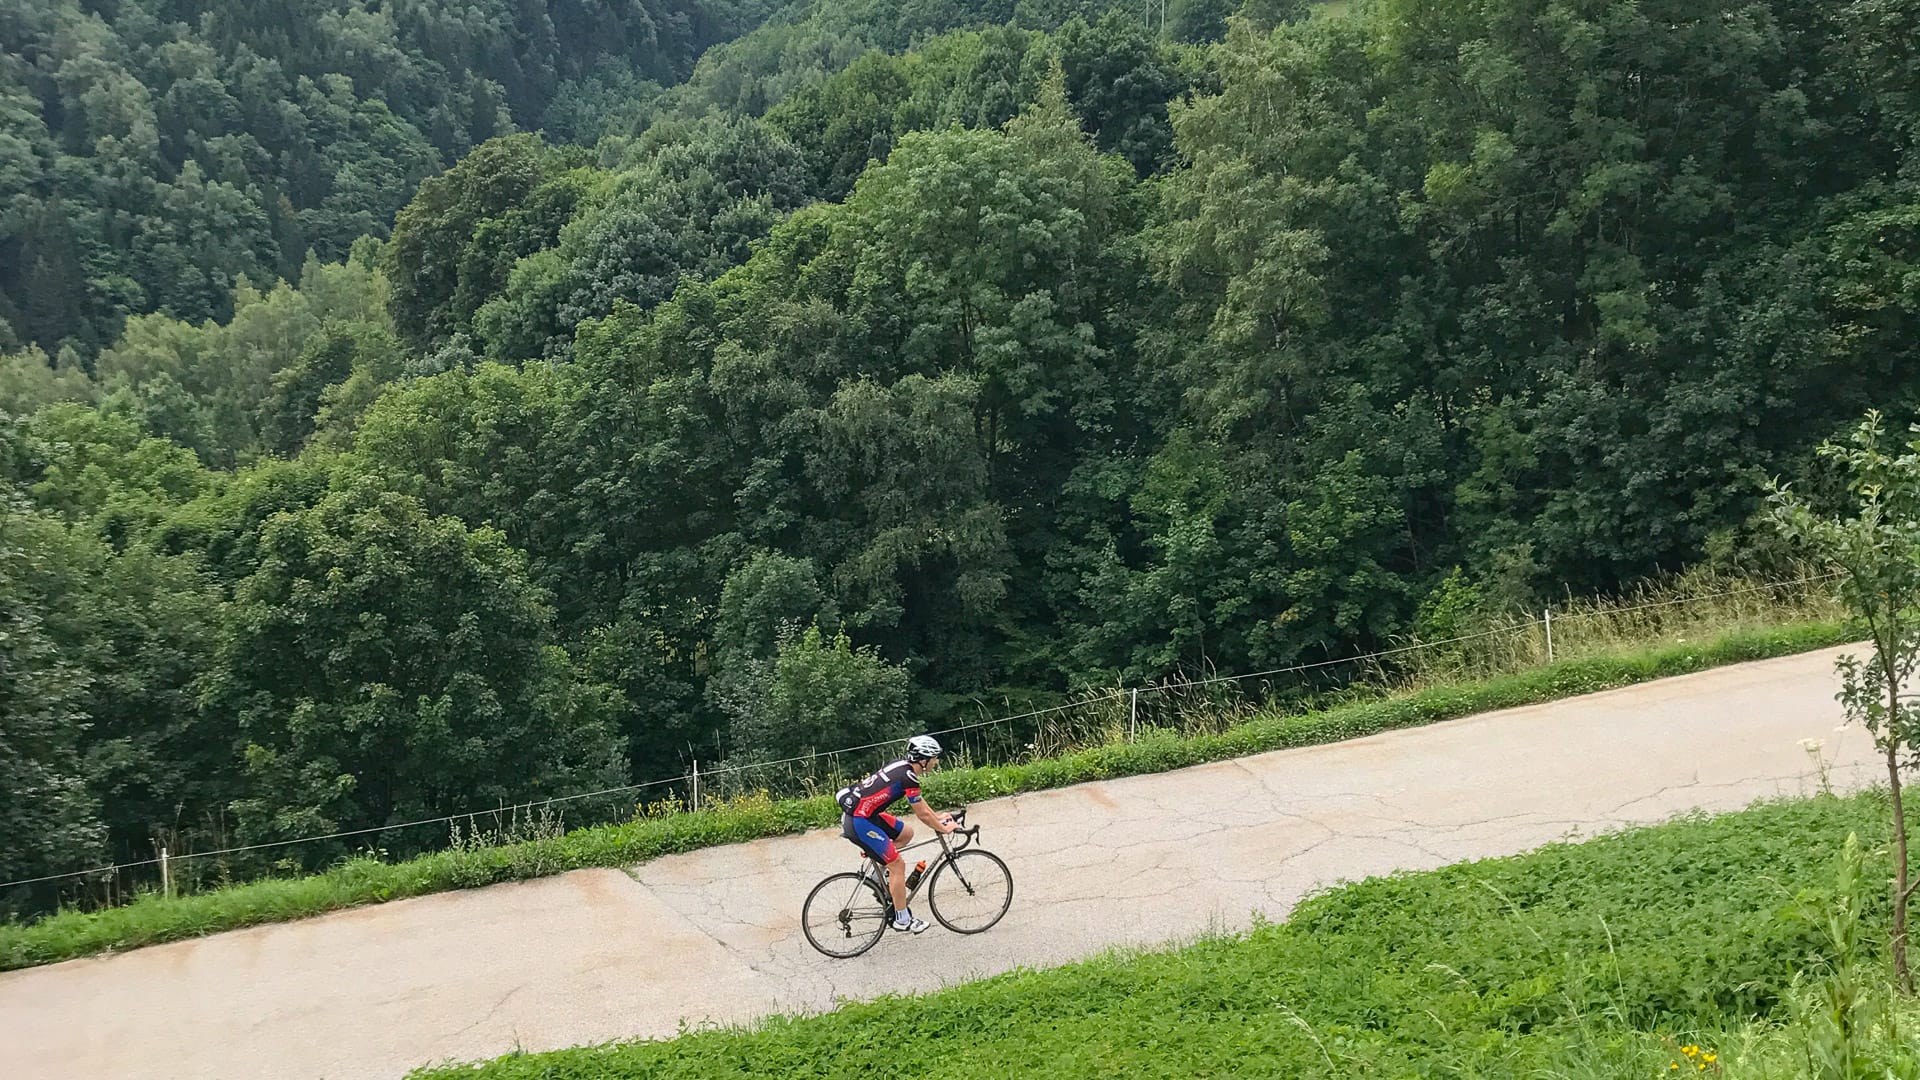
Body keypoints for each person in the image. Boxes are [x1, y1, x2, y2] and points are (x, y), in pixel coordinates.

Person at [836, 735, 957, 933]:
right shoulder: (908, 777)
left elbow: (922, 806)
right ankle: (902, 919)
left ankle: (878, 874)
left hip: (864, 815)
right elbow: (922, 814)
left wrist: (937, 817)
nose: (936, 762)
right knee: (897, 865)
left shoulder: (903, 767)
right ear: (923, 760)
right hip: (859, 822)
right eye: (934, 758)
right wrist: (943, 828)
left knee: (906, 834)